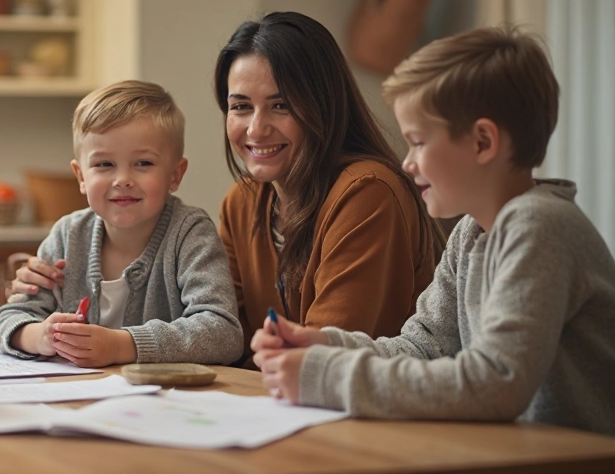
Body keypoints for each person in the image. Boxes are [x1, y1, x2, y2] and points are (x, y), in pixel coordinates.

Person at [10, 12, 443, 364]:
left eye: (281, 105)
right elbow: (215, 325)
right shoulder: (245, 201)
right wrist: (38, 298)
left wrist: (123, 343)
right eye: (240, 107)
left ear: (322, 106)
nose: (256, 128)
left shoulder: (367, 192)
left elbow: (318, 352)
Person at [253, 26, 615, 435]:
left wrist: (327, 376)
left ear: (482, 142)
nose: (407, 163)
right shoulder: (470, 233)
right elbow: (421, 348)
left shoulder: (539, 227)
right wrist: (324, 345)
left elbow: (496, 382)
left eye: (419, 142)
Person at [0, 81, 243, 367]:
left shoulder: (190, 233)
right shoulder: (66, 235)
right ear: (81, 177)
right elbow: (6, 321)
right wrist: (40, 336)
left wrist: (123, 346)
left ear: (175, 175)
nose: (122, 179)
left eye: (143, 163)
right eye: (104, 165)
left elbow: (223, 333)